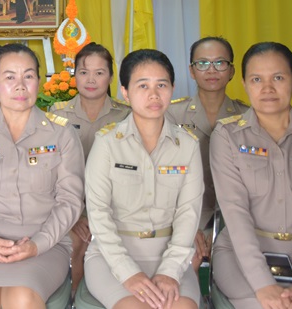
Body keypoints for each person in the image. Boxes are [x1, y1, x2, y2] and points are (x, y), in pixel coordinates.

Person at [210, 42, 292, 309]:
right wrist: (263, 285)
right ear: (245, 84)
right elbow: (235, 214)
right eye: (257, 79)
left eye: (278, 78)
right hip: (241, 257)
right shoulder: (227, 137)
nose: (267, 88)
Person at [0, 44, 85, 309]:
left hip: (45, 244)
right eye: (9, 77)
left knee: (21, 298)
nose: (20, 86)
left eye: (28, 76)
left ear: (39, 81)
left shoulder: (61, 134)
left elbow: (70, 201)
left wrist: (37, 244)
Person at [85, 49, 203, 309]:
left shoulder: (187, 145)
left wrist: (170, 271)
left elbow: (189, 213)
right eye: (142, 86)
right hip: (111, 255)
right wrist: (128, 273)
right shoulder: (107, 143)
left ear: (172, 88)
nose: (154, 95)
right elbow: (98, 214)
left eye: (161, 85)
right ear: (125, 92)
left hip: (171, 255)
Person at [50, 42, 131, 294]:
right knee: (75, 244)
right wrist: (74, 217)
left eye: (99, 72)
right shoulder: (57, 114)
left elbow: (129, 174)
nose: (91, 80)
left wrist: (98, 217)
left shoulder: (126, 116)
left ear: (111, 77)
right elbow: (50, 173)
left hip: (114, 208)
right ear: (74, 75)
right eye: (84, 72)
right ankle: (75, 298)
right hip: (68, 207)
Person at [167, 36, 248, 268]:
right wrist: (186, 227)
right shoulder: (171, 114)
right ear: (192, 71)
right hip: (185, 214)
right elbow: (165, 177)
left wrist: (225, 231)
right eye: (202, 63)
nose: (211, 70)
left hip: (235, 218)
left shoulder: (247, 116)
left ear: (231, 71)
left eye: (220, 63)